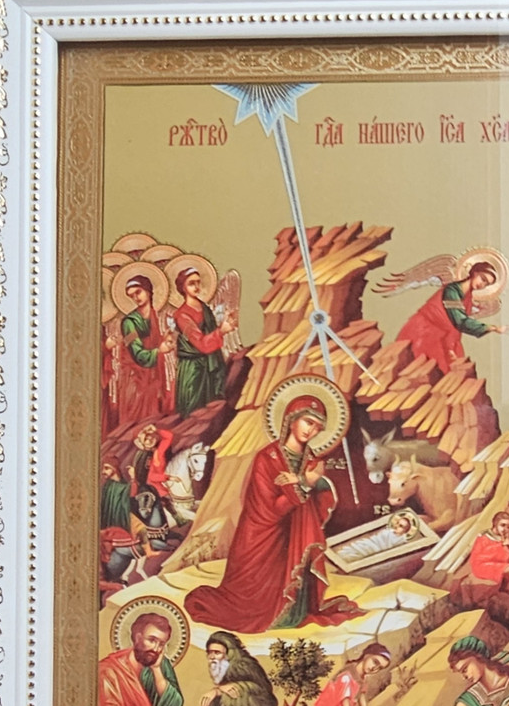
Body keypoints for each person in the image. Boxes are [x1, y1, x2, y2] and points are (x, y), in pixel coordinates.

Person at [185, 393, 358, 633]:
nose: (311, 430)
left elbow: (321, 497)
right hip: (263, 534)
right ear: (292, 418)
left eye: (317, 427)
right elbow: (267, 507)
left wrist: (303, 481)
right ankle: (274, 613)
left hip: (296, 533)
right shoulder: (267, 458)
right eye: (308, 422)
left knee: (299, 567)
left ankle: (296, 612)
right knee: (250, 598)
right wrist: (302, 486)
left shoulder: (312, 461)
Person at [396, 260, 509, 375]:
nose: (482, 285)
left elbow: (456, 327)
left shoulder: (468, 298)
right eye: (483, 278)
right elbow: (459, 321)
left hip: (443, 337)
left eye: (486, 284)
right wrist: (492, 328)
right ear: (475, 273)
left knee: (455, 372)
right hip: (423, 331)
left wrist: (450, 348)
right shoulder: (451, 291)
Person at [107, 274, 173, 429]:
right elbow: (135, 351)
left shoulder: (155, 316)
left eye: (138, 292)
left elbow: (153, 340)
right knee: (135, 423)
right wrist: (159, 351)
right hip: (135, 378)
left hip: (152, 377)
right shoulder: (129, 322)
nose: (136, 298)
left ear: (148, 291)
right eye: (132, 296)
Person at [173, 266, 235, 417]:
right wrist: (221, 331)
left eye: (198, 282)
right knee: (194, 413)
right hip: (194, 370)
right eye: (191, 283)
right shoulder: (181, 315)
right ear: (183, 287)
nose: (196, 286)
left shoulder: (205, 308)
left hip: (211, 365)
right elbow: (201, 344)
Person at [468, 511, 509, 595]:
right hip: (482, 565)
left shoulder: (503, 537)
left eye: (508, 527)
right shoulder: (484, 536)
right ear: (495, 524)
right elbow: (477, 556)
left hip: (495, 562)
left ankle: (502, 587)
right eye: (502, 525)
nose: (505, 529)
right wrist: (498, 548)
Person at [334, 510, 418, 565]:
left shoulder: (401, 541)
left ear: (406, 530)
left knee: (362, 553)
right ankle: (343, 555)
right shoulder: (388, 531)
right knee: (360, 545)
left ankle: (347, 557)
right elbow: (377, 538)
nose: (396, 526)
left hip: (377, 549)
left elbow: (388, 548)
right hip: (372, 543)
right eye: (397, 523)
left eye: (401, 526)